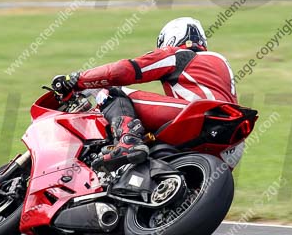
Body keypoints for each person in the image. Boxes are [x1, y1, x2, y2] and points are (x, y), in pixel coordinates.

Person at [52, 17, 237, 171]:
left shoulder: (178, 55)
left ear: (171, 39)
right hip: (231, 141)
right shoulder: (220, 61)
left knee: (112, 90)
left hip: (200, 116)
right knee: (152, 138)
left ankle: (127, 141)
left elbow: (123, 71)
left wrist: (77, 79)